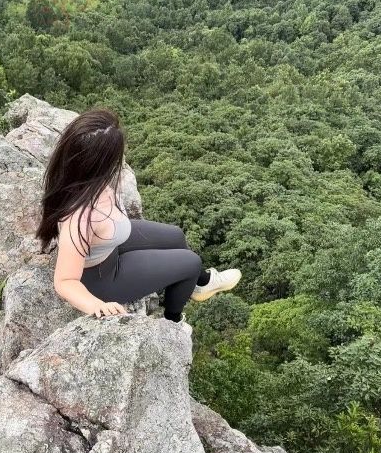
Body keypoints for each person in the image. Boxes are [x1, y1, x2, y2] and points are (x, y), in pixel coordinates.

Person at [36, 109, 242, 324]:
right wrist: (96, 305)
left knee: (176, 236)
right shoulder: (79, 217)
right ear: (100, 163)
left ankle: (202, 283)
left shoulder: (81, 176)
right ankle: (173, 321)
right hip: (103, 278)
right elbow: (65, 281)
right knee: (191, 262)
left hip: (109, 244)